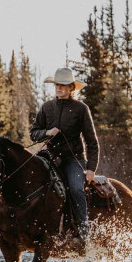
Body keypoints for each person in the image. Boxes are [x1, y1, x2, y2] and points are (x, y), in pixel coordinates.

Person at [30, 68, 100, 246]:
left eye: (63, 85)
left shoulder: (81, 109)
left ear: (71, 88)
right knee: (30, 184)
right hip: (49, 158)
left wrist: (91, 168)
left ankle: (83, 230)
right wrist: (47, 132)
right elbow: (33, 133)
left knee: (76, 189)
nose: (59, 88)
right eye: (57, 85)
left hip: (73, 159)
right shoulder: (47, 107)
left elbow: (92, 141)